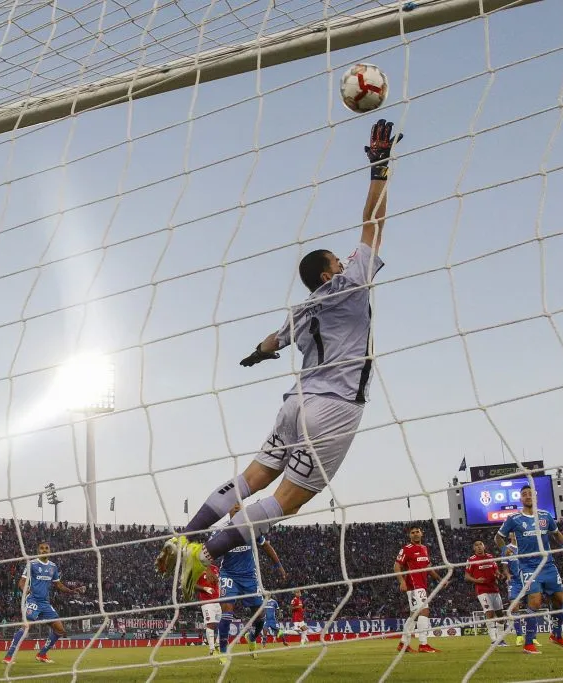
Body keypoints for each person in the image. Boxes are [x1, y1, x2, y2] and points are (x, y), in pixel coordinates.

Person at [155, 120, 402, 598]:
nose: (344, 262)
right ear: (332, 270)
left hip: (294, 402)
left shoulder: (302, 308)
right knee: (286, 502)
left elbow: (273, 341)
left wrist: (257, 354)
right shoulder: (351, 286)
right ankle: (202, 556)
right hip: (333, 407)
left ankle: (185, 535)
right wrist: (380, 166)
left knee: (252, 477)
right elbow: (374, 225)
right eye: (338, 260)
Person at [495, 485, 563, 655]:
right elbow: (498, 537)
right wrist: (505, 550)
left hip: (548, 565)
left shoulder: (546, 516)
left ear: (535, 497)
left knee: (559, 601)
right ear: (521, 499)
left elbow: (556, 533)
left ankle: (556, 635)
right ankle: (528, 643)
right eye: (524, 494)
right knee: (535, 602)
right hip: (528, 567)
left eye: (530, 494)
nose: (527, 496)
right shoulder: (514, 518)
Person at [214, 503, 287, 662]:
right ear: (229, 512)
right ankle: (224, 652)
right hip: (228, 575)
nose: (237, 511)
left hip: (249, 577)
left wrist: (278, 565)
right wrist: (207, 570)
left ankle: (252, 637)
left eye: (240, 509)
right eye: (234, 509)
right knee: (227, 612)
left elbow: (266, 546)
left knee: (260, 617)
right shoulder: (220, 531)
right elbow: (210, 551)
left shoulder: (251, 529)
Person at [2, 542, 83, 665]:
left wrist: (71, 591)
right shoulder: (32, 564)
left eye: (46, 548)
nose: (44, 550)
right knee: (26, 626)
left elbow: (58, 584)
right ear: (38, 551)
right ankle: (8, 657)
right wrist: (25, 589)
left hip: (45, 603)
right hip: (33, 600)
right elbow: (21, 583)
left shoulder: (53, 566)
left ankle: (42, 654)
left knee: (60, 629)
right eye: (42, 548)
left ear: (50, 550)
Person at [393, 523, 443, 654]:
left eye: (417, 532)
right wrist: (401, 581)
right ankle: (423, 644)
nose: (415, 534)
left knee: (413, 615)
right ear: (409, 535)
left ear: (422, 533)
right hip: (414, 585)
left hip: (421, 584)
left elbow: (428, 567)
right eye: (413, 532)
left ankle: (403, 643)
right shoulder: (406, 549)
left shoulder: (424, 548)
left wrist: (439, 579)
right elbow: (397, 566)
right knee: (425, 611)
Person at [465, 539, 507, 647]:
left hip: (494, 589)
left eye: (480, 544)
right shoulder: (471, 560)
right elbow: (467, 576)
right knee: (489, 613)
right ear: (474, 548)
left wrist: (499, 575)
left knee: (500, 615)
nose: (479, 547)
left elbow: (496, 570)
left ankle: (501, 639)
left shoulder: (490, 557)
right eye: (476, 545)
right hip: (482, 590)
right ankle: (494, 640)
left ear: (484, 546)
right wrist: (477, 581)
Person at [196, 563, 221, 655]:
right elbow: (193, 585)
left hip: (218, 601)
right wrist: (204, 588)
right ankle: (212, 649)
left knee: (222, 622)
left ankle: (218, 644)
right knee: (210, 624)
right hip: (206, 602)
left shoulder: (215, 568)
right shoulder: (197, 569)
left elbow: (218, 582)